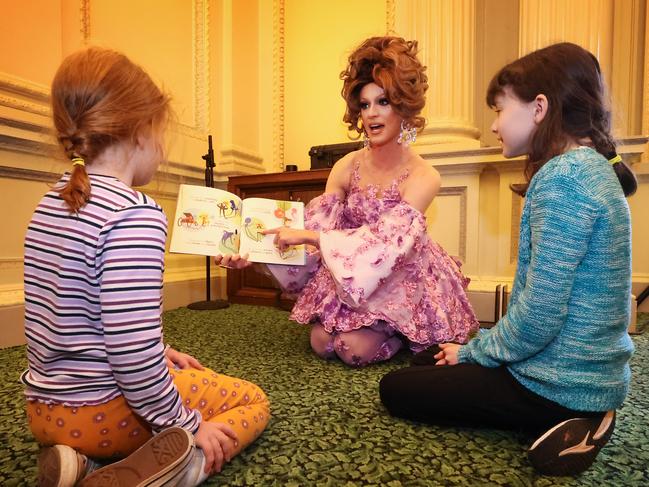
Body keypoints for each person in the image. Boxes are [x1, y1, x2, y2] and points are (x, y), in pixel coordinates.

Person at [379, 42, 636, 476]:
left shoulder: (564, 180)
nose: (494, 126)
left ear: (539, 107)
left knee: (397, 388)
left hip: (561, 382)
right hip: (586, 370)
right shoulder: (589, 169)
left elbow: (539, 317)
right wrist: (473, 352)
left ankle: (571, 419)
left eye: (499, 110)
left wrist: (477, 352)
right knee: (431, 358)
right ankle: (578, 411)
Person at [22, 47, 270, 487]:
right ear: (140, 130)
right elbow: (132, 356)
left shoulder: (50, 202)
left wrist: (160, 352)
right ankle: (176, 468)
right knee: (252, 400)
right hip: (102, 412)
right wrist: (189, 424)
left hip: (43, 409)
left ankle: (80, 463)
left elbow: (75, 319)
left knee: (180, 371)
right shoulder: (136, 214)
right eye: (161, 131)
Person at [217, 36, 479, 367]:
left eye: (383, 102)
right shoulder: (346, 166)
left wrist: (311, 237)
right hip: (347, 272)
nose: (371, 114)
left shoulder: (425, 175)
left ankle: (400, 332)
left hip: (398, 273)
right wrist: (255, 254)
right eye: (365, 104)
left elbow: (388, 247)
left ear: (404, 107)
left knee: (353, 350)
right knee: (323, 342)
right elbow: (315, 231)